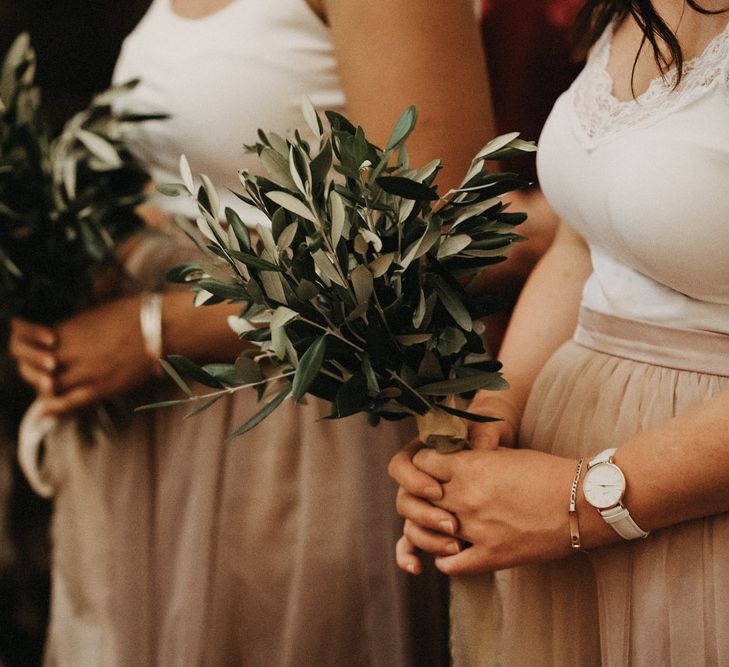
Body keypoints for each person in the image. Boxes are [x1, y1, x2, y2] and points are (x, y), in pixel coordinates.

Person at [9, 0, 498, 664]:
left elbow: (436, 233)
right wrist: (84, 286)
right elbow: (188, 186)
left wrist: (159, 329)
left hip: (299, 409)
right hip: (155, 426)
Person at [390, 0, 729, 663]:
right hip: (564, 487)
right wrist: (498, 407)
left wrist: (587, 499)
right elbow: (583, 242)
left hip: (688, 496)